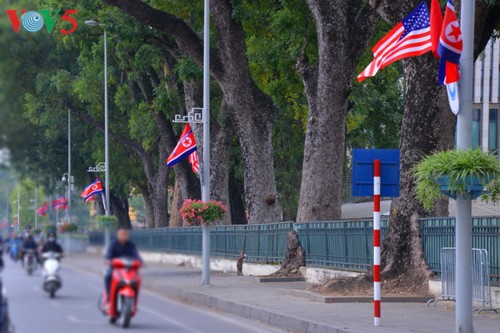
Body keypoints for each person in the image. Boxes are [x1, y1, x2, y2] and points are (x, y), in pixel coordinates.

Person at [104, 228, 141, 302]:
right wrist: (108, 261)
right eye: (122, 234)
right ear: (118, 235)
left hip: (128, 268)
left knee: (137, 278)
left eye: (125, 234)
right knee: (108, 276)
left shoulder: (131, 245)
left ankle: (135, 299)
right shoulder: (113, 244)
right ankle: (109, 296)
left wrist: (140, 261)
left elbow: (136, 255)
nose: (124, 236)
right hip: (115, 268)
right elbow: (109, 255)